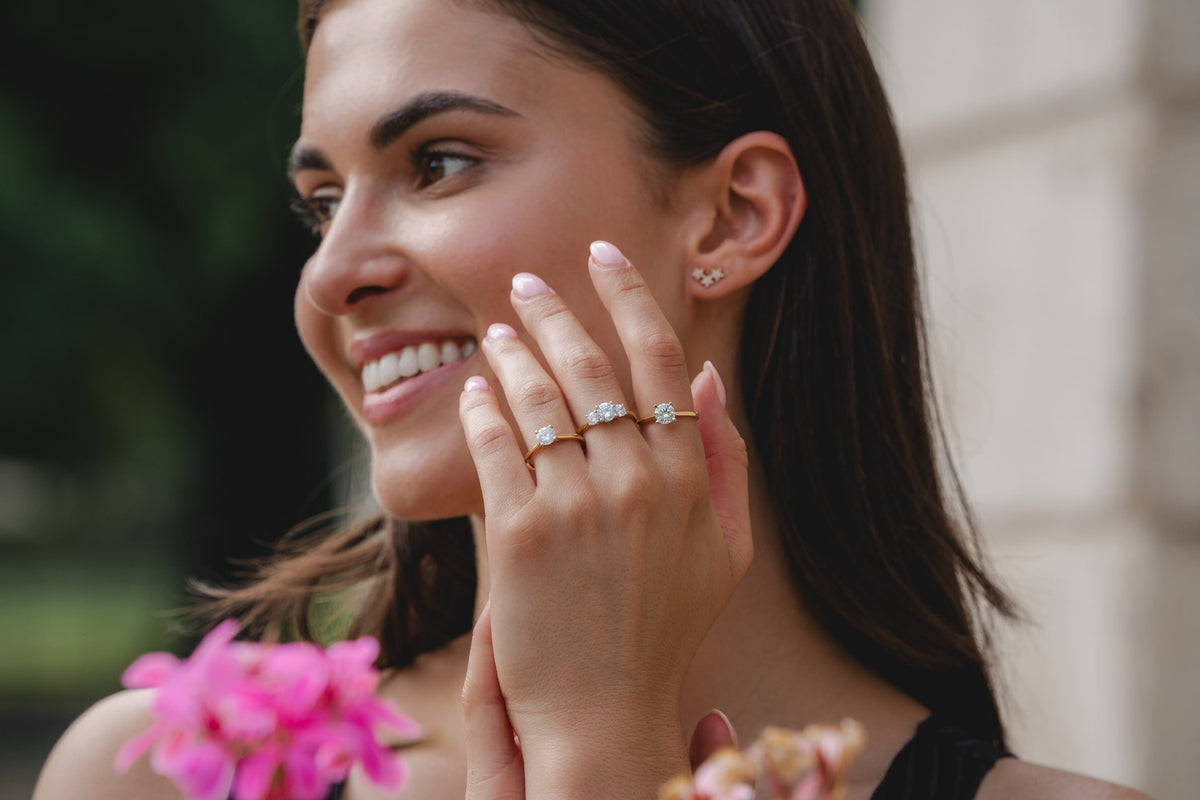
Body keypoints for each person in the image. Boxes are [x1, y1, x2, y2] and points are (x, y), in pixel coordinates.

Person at [35, 1, 1151, 798]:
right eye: (322, 201)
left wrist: (601, 748)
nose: (331, 275)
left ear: (730, 217)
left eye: (439, 162)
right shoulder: (163, 772)